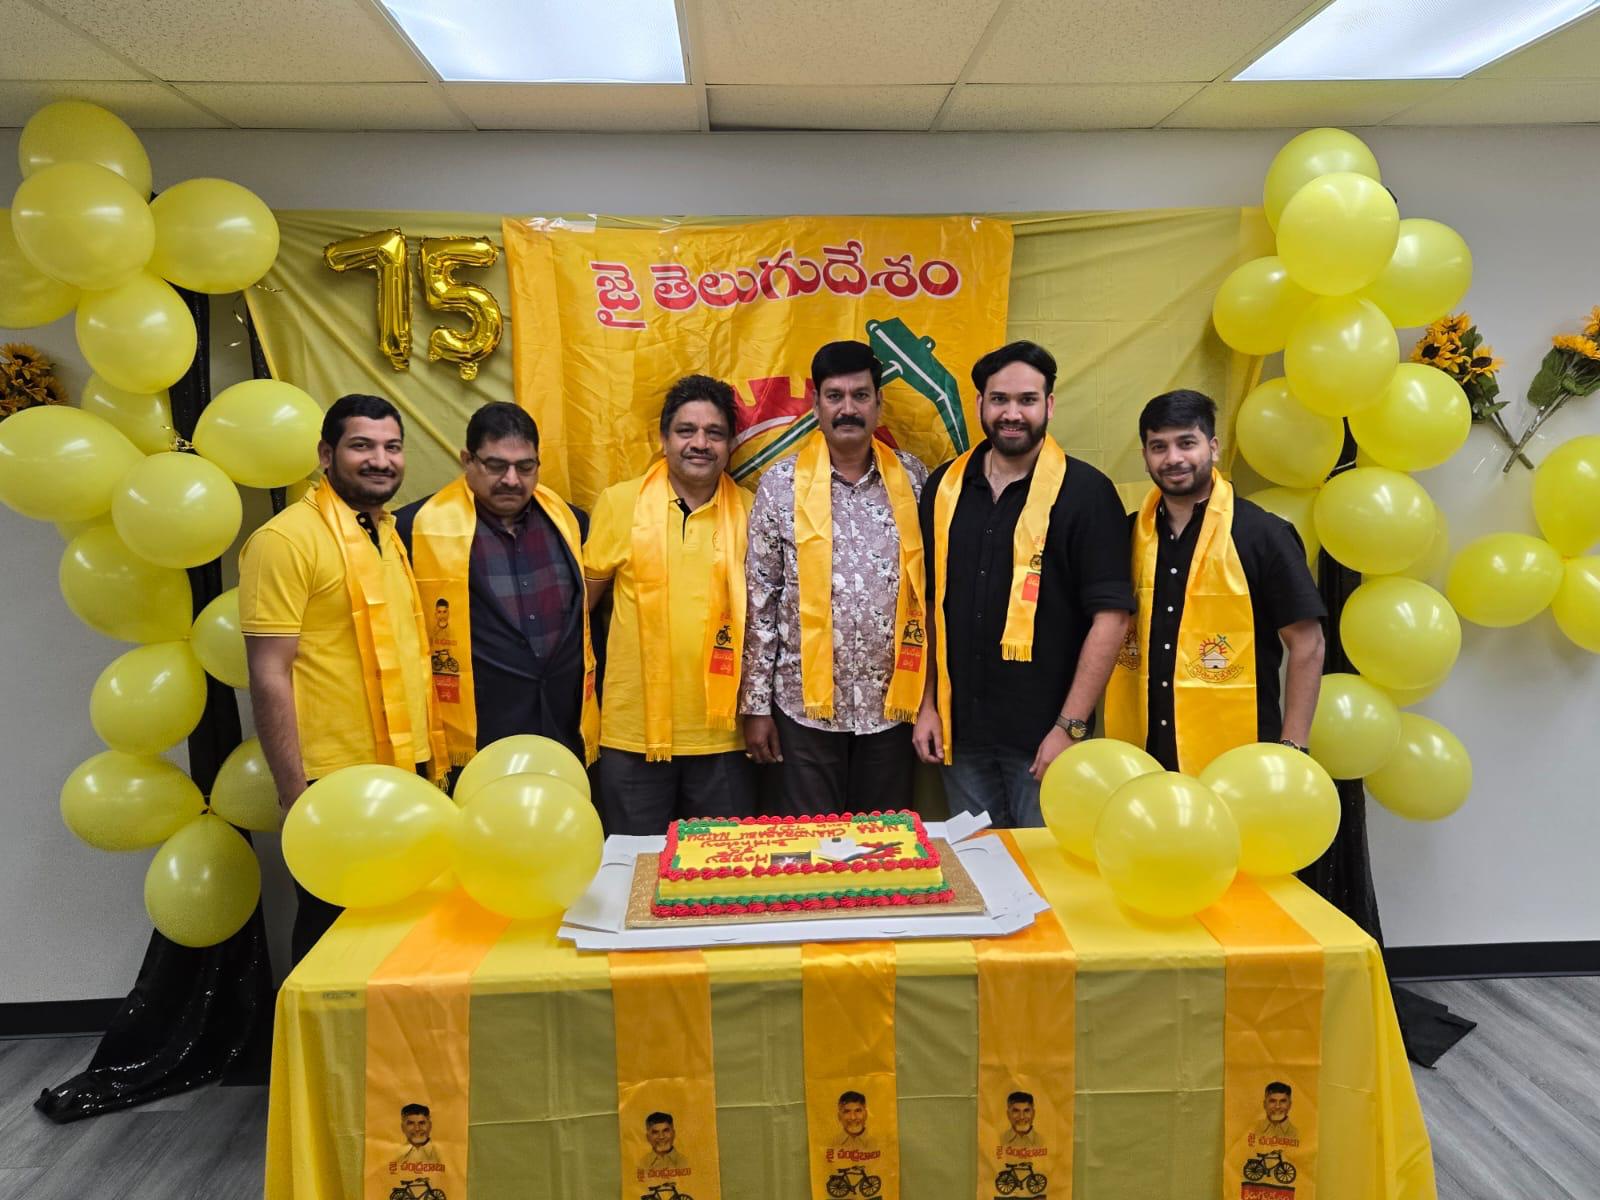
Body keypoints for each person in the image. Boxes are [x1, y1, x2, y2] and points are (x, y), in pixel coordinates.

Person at [239, 393, 445, 966]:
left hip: (404, 772)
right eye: (362, 446)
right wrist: (294, 794)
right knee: (335, 944)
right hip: (332, 783)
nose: (380, 460)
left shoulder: (386, 532)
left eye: (392, 447)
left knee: (399, 935)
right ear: (326, 454)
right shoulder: (285, 541)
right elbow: (268, 673)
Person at [914, 341, 1133, 827]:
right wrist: (927, 705)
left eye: (1027, 400)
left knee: (1046, 867)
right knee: (978, 865)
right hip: (961, 737)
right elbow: (929, 605)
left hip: (1045, 739)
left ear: (1049, 405)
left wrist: (1070, 728)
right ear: (980, 404)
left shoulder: (1086, 493)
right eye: (999, 399)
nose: (1012, 414)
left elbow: (1111, 617)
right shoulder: (944, 488)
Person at [741, 341, 929, 814]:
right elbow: (761, 600)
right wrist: (756, 706)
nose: (848, 408)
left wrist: (932, 700)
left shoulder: (914, 480)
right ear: (816, 405)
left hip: (893, 705)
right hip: (803, 709)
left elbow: (933, 595)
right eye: (835, 396)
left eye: (861, 395)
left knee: (885, 842)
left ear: (878, 403)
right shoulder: (780, 485)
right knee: (813, 844)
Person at [1105, 390, 1325, 773]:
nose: (1173, 458)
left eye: (1186, 443)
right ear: (1145, 457)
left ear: (1214, 448)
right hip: (1143, 757)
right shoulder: (1127, 535)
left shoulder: (1263, 535)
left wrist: (1292, 747)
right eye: (1159, 447)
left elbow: (1308, 642)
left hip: (1240, 761)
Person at [584, 376, 756, 832]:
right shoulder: (619, 504)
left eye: (714, 433)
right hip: (633, 734)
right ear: (663, 439)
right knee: (634, 864)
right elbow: (580, 613)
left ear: (730, 445)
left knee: (721, 868)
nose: (700, 443)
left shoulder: (753, 511)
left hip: (725, 738)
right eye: (686, 431)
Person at [394, 402, 596, 773]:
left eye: (525, 467)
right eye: (496, 465)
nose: (511, 480)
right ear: (467, 460)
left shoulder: (571, 522)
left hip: (562, 725)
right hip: (476, 731)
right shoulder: (411, 529)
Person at [389, 1103, 443, 1170]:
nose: (417, 1129)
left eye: (422, 1123)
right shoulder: (392, 1156)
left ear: (430, 1125)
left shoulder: (444, 1155)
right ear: (402, 1127)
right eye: (411, 1123)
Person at [828, 1090, 880, 1159]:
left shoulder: (879, 1143)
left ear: (866, 1114)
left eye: (858, 1111)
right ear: (839, 1116)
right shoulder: (830, 1144)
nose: (853, 1117)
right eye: (847, 1111)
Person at [1000, 1091, 1042, 1155]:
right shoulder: (998, 1140)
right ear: (1008, 1114)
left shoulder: (1044, 1141)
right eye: (1016, 1111)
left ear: (1033, 1113)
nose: (1021, 1117)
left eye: (1026, 1111)